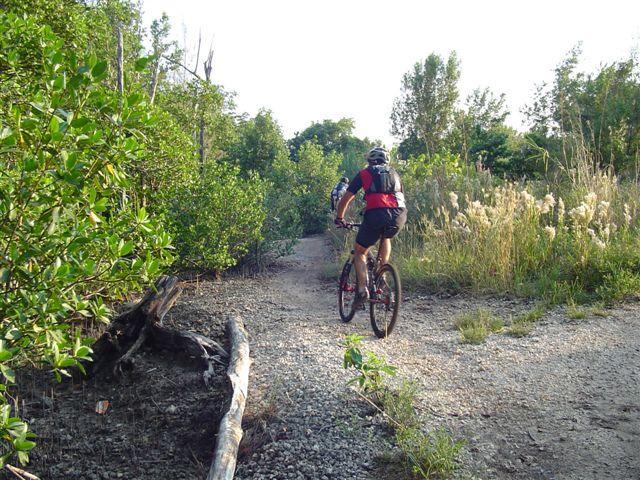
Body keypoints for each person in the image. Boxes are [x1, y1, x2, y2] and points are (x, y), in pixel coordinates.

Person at [334, 147, 407, 307]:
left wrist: (339, 217)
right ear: (387, 161)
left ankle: (362, 290)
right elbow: (401, 196)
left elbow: (346, 198)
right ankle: (382, 272)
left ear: (370, 161)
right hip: (399, 215)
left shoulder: (365, 173)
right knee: (386, 237)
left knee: (360, 251)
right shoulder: (395, 174)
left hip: (375, 214)